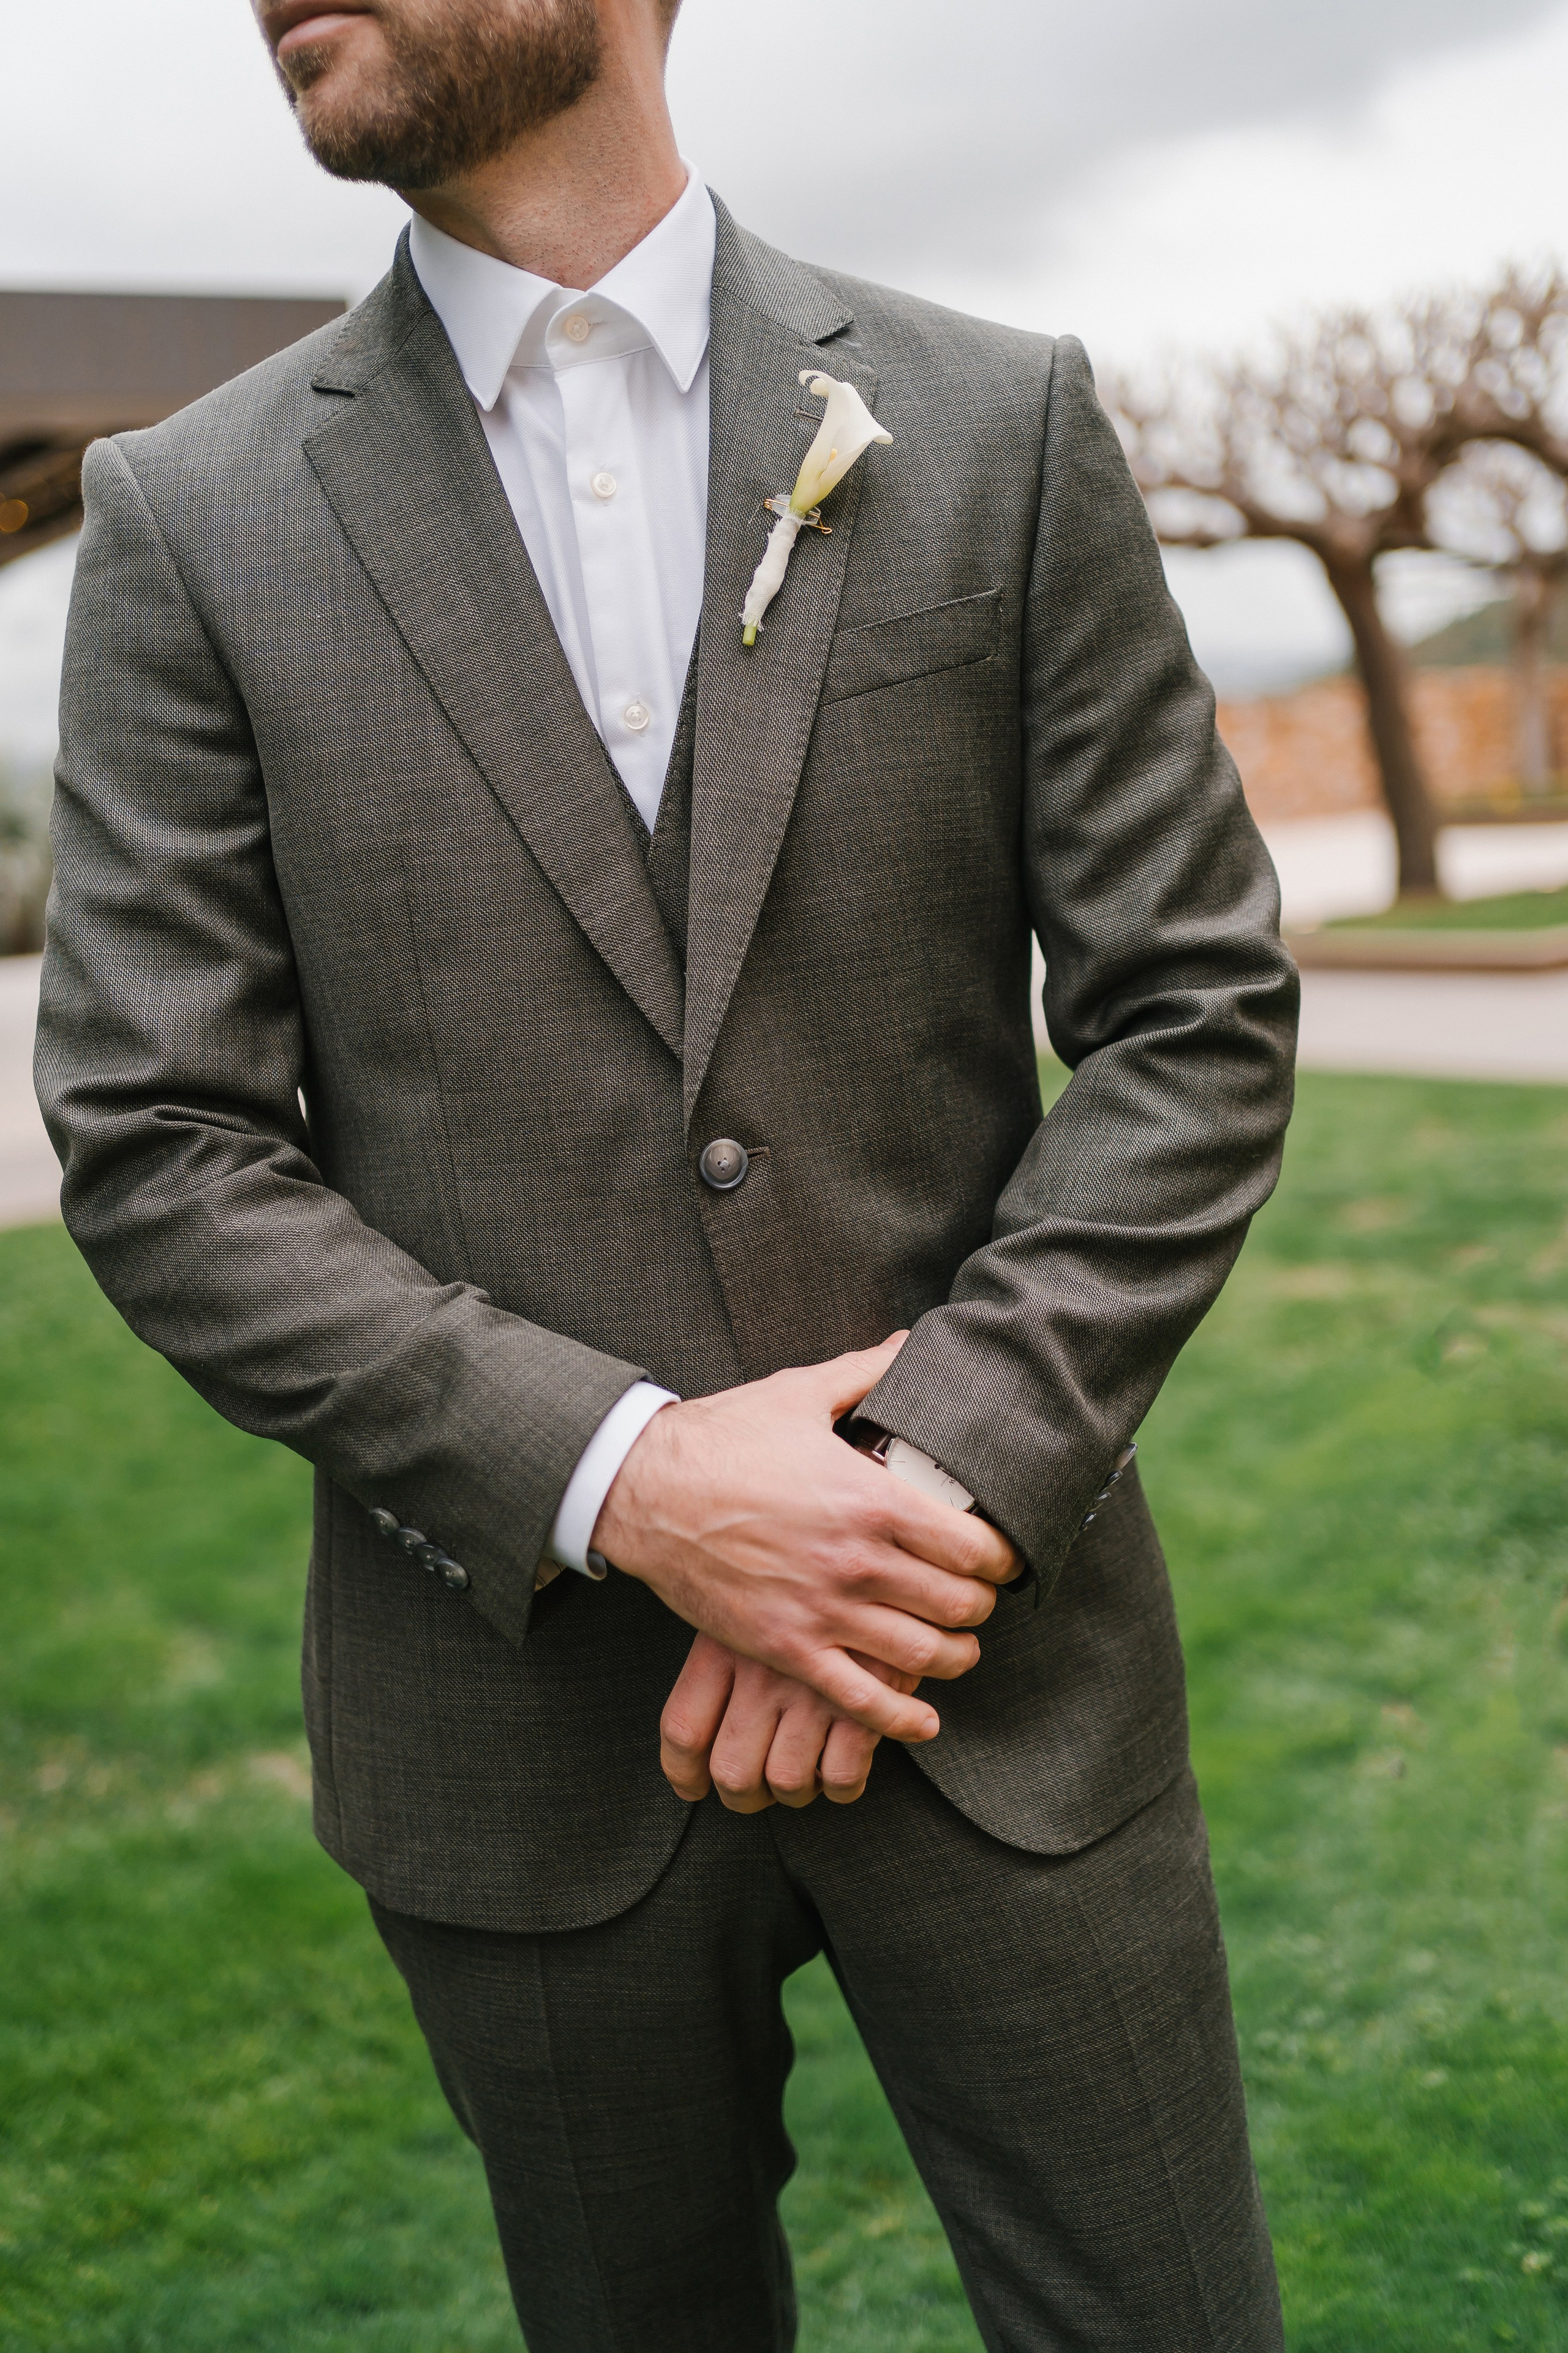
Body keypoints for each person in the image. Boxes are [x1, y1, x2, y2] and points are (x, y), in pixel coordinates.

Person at [35, 1, 1299, 2344]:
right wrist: (635, 1482)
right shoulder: (191, 515)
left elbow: (1192, 1012)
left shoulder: (998, 421)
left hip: (990, 1668)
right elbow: (161, 1141)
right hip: (517, 1735)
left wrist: (916, 1489)